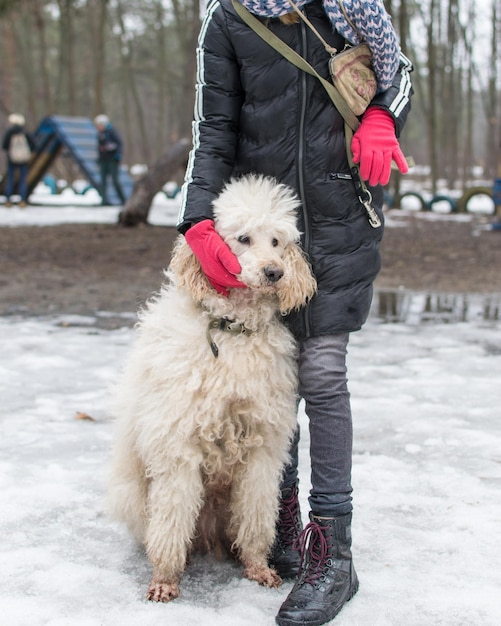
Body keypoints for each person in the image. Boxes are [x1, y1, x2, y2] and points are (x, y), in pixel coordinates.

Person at [177, 1, 413, 624]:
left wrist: (385, 118)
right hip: (265, 234)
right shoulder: (227, 16)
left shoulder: (354, 4)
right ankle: (277, 525)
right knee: (271, 387)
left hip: (339, 226)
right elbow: (213, 132)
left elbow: (399, 75)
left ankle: (333, 554)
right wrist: (198, 219)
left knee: (323, 375)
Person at [2, 113, 35, 208]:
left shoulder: (9, 132)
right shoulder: (25, 132)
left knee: (10, 180)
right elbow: (34, 145)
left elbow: (4, 146)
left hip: (11, 160)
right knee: (23, 180)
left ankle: (8, 201)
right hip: (23, 160)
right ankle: (23, 200)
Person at [94, 114, 127, 205]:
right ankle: (104, 200)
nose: (97, 127)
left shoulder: (112, 132)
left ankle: (123, 200)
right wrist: (99, 158)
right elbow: (99, 147)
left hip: (112, 160)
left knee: (115, 181)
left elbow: (119, 144)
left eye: (99, 125)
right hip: (103, 161)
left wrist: (118, 154)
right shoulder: (99, 134)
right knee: (103, 181)